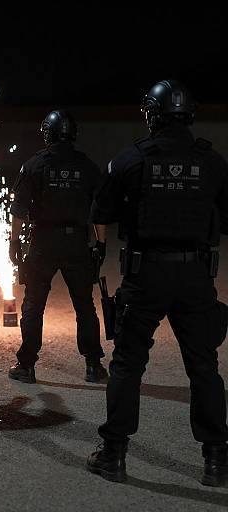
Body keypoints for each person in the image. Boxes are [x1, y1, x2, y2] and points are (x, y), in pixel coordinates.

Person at [87, 80, 228, 487]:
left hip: (145, 275)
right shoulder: (212, 161)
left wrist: (102, 248)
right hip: (195, 276)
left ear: (152, 114)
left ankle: (113, 455)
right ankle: (216, 460)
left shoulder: (131, 159)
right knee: (204, 366)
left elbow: (101, 212)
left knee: (128, 365)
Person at [8, 110, 107, 384]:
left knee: (34, 303)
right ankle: (93, 365)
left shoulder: (34, 165)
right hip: (76, 241)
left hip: (43, 241)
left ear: (47, 133)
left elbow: (18, 210)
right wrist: (101, 243)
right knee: (84, 305)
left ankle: (26, 365)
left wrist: (14, 242)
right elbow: (99, 210)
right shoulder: (86, 166)